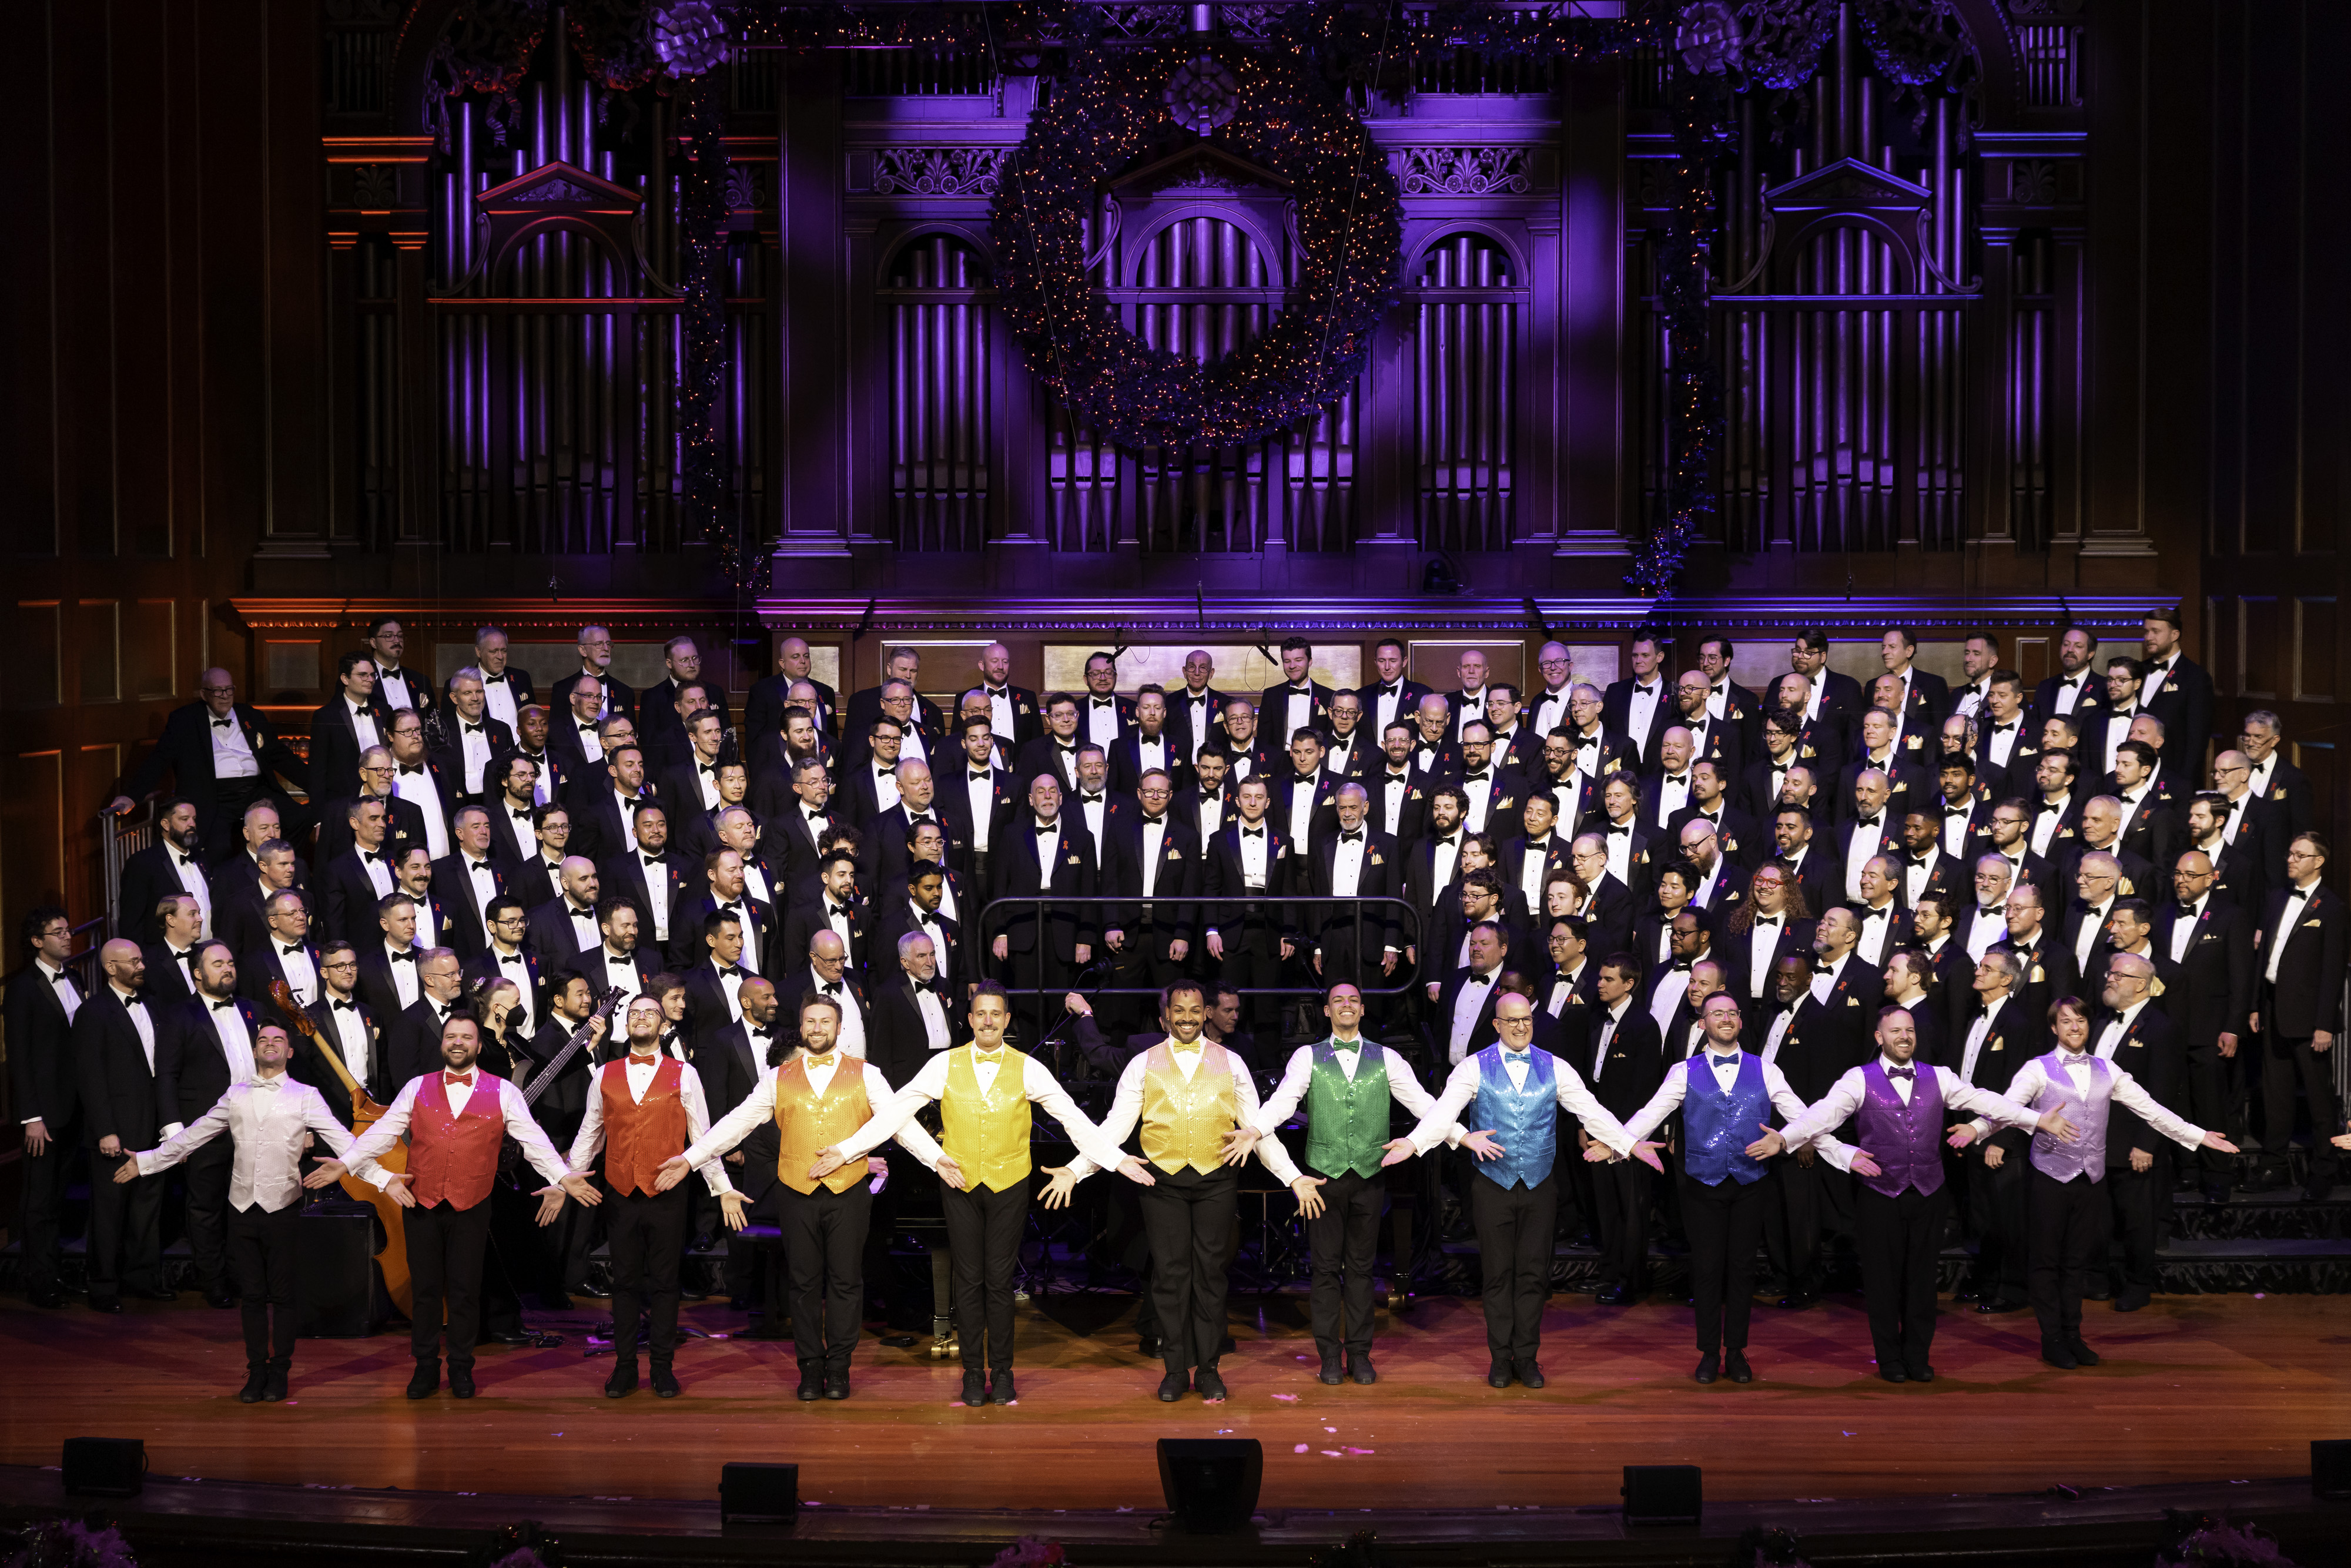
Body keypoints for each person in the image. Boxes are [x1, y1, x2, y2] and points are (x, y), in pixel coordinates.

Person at [809, 983, 1134, 1408]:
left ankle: (1001, 1373)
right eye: (980, 1013)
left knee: (999, 1283)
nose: (987, 1021)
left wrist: (1115, 1159)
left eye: (995, 1014)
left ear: (1007, 1020)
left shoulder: (1028, 1068)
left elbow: (1073, 1120)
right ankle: (972, 1374)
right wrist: (847, 1150)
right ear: (970, 1018)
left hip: (1009, 1184)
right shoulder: (944, 1064)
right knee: (968, 1279)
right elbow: (894, 1114)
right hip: (960, 1184)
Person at [1756, 1004, 2063, 1383]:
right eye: (1896, 1031)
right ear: (1879, 1037)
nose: (1905, 1037)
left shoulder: (1941, 1077)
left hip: (1929, 1192)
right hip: (1879, 1193)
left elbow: (1987, 1101)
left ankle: (1918, 1356)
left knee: (1921, 1282)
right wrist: (1785, 1139)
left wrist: (2036, 1120)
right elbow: (1823, 1114)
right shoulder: (1859, 1079)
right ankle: (1889, 1358)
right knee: (1883, 1282)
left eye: (1910, 1030)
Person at [306, 1010, 594, 1399]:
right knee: (426, 1291)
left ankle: (461, 1367)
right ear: (443, 1044)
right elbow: (382, 1134)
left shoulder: (503, 1092)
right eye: (451, 1037)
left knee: (464, 1290)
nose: (457, 1042)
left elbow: (534, 1140)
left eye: (466, 1037)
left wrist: (561, 1176)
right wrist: (346, 1163)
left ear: (478, 1045)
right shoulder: (416, 1087)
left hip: (472, 1204)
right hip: (421, 1202)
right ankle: (425, 1367)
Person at [1057, 980, 1315, 1404]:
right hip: (1163, 1182)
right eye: (1180, 1010)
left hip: (1216, 1180)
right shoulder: (1142, 1064)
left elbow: (1256, 1131)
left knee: (1211, 1277)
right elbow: (1115, 1128)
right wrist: (1075, 1170)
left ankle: (1210, 1368)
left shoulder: (1231, 1062)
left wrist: (1292, 1176)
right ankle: (1176, 1369)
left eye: (1195, 1010)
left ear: (1206, 1014)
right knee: (1171, 1278)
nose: (1188, 1018)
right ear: (1165, 1016)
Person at [1386, 990, 1655, 1388]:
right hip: (1492, 1185)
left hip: (1539, 1184)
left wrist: (1629, 1143)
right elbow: (1443, 1112)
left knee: (1532, 1275)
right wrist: (1414, 1142)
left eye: (1526, 1020)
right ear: (1497, 1025)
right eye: (1511, 1021)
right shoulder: (1474, 1067)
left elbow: (1591, 1111)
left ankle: (1526, 1357)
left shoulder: (1556, 1067)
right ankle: (1499, 1358)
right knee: (1497, 1275)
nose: (1520, 1027)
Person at [1965, 984, 2237, 1369]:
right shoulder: (2038, 1069)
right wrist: (1975, 1130)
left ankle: (2073, 1334)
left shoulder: (2108, 1070)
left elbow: (2153, 1111)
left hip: (2089, 1179)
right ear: (2055, 1029)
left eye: (2080, 1020)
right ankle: (2052, 1338)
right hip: (2049, 1178)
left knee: (2076, 1262)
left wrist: (2199, 1135)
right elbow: (2006, 1108)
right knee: (2046, 1261)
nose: (2074, 1027)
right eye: (2066, 1021)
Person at [1613, 991, 1856, 1385]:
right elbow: (1651, 1113)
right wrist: (1617, 1142)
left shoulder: (1766, 1070)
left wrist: (1843, 1154)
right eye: (1716, 1013)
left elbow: (1804, 1119)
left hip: (1750, 1182)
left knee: (1742, 1270)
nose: (1725, 1018)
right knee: (1707, 1269)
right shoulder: (1683, 1070)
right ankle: (1709, 1352)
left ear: (1741, 1022)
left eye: (1731, 1012)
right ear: (1702, 1024)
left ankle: (1738, 1351)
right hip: (1701, 1184)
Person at [117, 1021, 360, 1401]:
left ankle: (280, 1371)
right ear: (255, 1049)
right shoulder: (236, 1094)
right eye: (263, 1039)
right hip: (242, 1206)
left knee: (282, 1294)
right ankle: (256, 1370)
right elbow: (193, 1136)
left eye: (278, 1039)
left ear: (289, 1052)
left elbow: (346, 1142)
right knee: (251, 1294)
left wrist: (383, 1176)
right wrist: (147, 1161)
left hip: (283, 1205)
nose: (270, 1044)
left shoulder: (306, 1096)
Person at [1240, 983, 1459, 1385]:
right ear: (1326, 1011)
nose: (1346, 1005)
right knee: (1325, 1270)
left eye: (1353, 1000)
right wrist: (1254, 1130)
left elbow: (1426, 1105)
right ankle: (1328, 1356)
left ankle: (1360, 1354)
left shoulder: (1387, 1059)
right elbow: (1284, 1101)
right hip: (1323, 1178)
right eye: (1338, 1000)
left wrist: (1460, 1136)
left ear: (1362, 1010)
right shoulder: (1308, 1056)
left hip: (1369, 1177)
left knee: (1361, 1270)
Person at [563, 993, 741, 1399]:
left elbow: (704, 1138)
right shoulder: (604, 1074)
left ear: (663, 1027)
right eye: (634, 1013)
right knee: (624, 1283)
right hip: (621, 1192)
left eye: (650, 1014)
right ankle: (625, 1367)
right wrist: (562, 1180)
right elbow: (589, 1136)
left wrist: (723, 1188)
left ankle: (662, 1367)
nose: (641, 1018)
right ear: (626, 1025)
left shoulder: (685, 1073)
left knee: (664, 1282)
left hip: (667, 1194)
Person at [8, 908, 83, 1309]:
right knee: (38, 1200)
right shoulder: (23, 988)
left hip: (72, 1108)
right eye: (58, 933)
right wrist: (31, 1117)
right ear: (37, 941)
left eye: (68, 931)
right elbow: (19, 1058)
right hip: (44, 1115)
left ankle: (52, 1272)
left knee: (56, 1198)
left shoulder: (73, 977)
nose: (68, 937)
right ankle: (37, 1280)